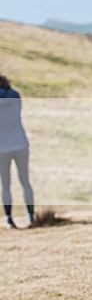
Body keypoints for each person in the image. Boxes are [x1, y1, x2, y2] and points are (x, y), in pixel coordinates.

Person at [0, 74, 35, 229]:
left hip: (2, 147)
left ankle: (9, 218)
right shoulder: (15, 96)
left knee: (5, 185)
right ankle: (31, 216)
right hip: (21, 143)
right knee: (25, 181)